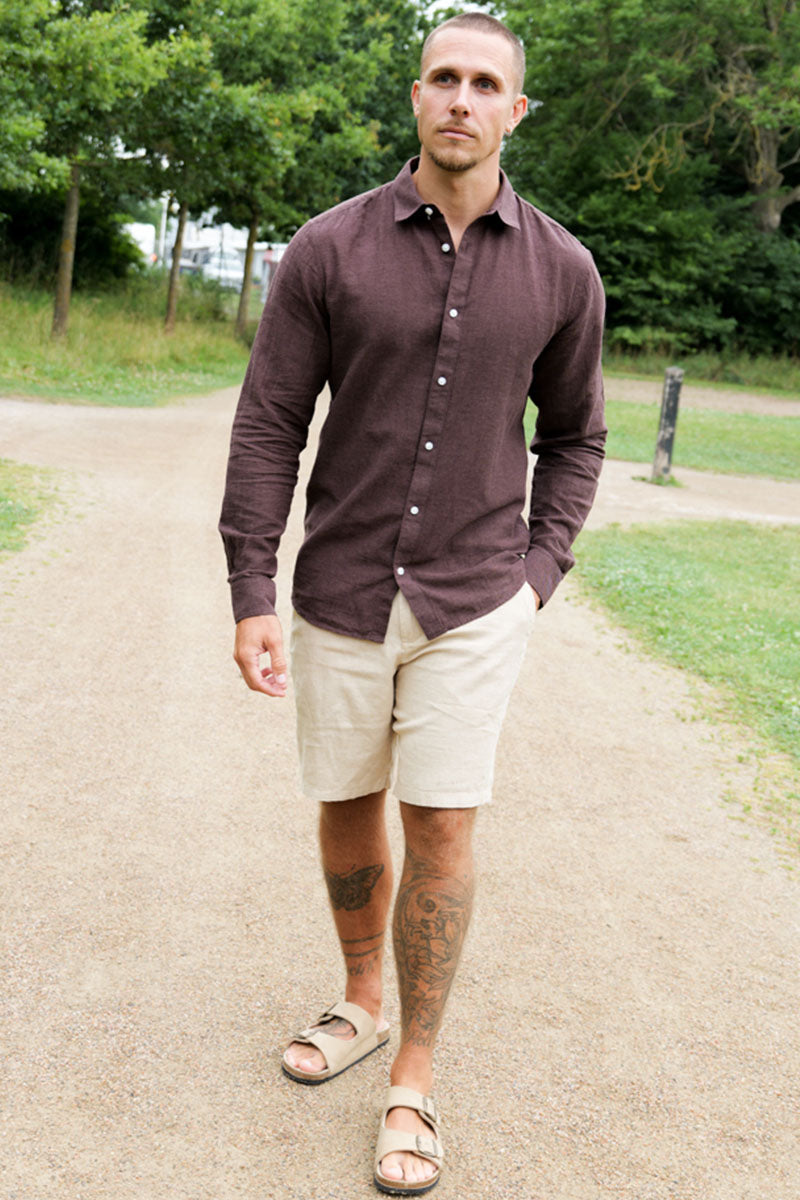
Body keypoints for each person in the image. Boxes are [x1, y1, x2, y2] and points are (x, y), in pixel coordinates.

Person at [219, 11, 606, 1194]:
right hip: (340, 586)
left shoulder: (561, 270)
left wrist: (534, 579)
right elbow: (269, 422)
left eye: (485, 83)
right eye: (443, 76)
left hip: (473, 600)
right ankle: (359, 1001)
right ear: (415, 96)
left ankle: (413, 1078)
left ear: (513, 111)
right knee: (346, 801)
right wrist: (250, 586)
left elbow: (576, 438)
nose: (460, 98)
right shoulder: (328, 249)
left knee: (440, 826)